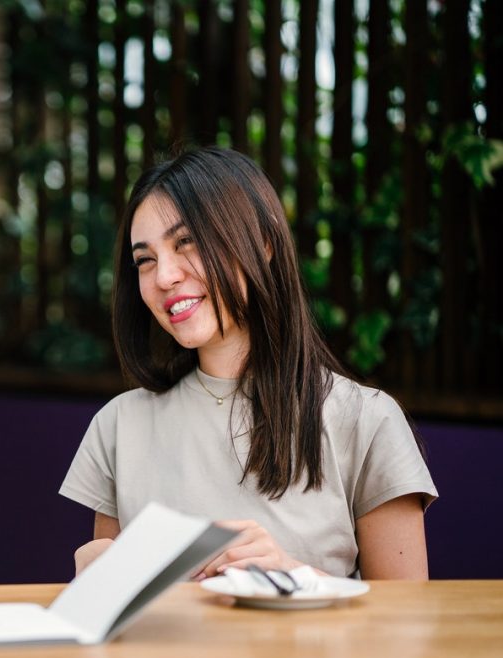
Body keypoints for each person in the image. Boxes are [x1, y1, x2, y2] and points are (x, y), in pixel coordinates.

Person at [60, 147, 436, 580]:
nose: (164, 277)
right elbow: (115, 628)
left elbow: (406, 630)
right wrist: (97, 586)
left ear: (264, 243)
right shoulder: (118, 428)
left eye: (187, 242)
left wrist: (294, 577)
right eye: (145, 260)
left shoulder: (366, 421)